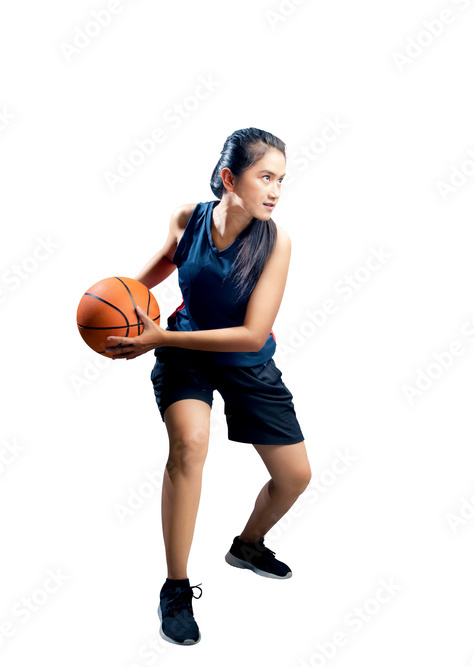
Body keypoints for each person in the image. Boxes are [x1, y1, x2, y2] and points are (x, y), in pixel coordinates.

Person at [105, 128, 312, 646]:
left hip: (244, 360)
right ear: (229, 178)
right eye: (265, 177)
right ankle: (175, 588)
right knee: (190, 444)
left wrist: (152, 334)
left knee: (295, 477)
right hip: (184, 351)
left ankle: (248, 545)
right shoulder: (187, 218)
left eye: (281, 180)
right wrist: (123, 304)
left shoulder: (276, 241)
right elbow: (162, 264)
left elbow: (250, 332)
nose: (275, 191)